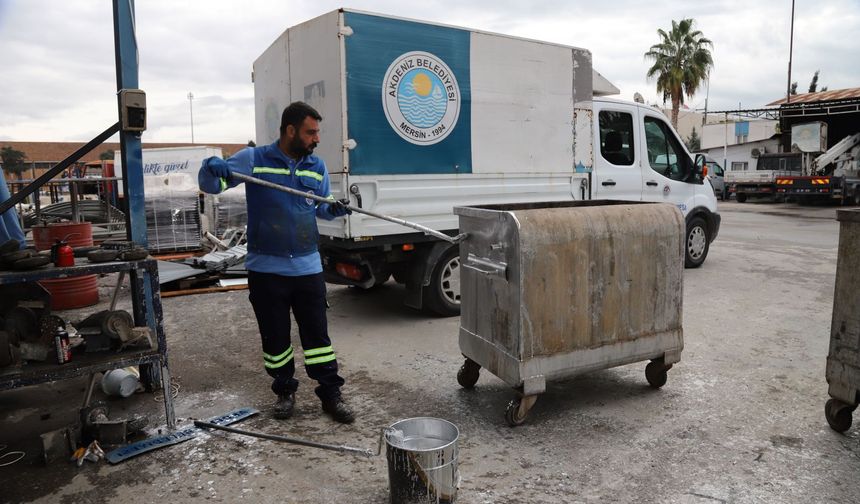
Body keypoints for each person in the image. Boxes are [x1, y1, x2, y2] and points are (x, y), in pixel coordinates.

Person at [198, 101, 355, 423]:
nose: (316, 139)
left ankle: (330, 393)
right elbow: (211, 185)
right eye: (311, 132)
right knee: (275, 339)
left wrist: (333, 210)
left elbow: (319, 208)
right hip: (267, 271)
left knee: (318, 340)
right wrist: (211, 165)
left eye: (317, 133)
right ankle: (284, 390)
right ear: (290, 130)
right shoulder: (254, 159)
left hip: (308, 269)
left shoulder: (317, 167)